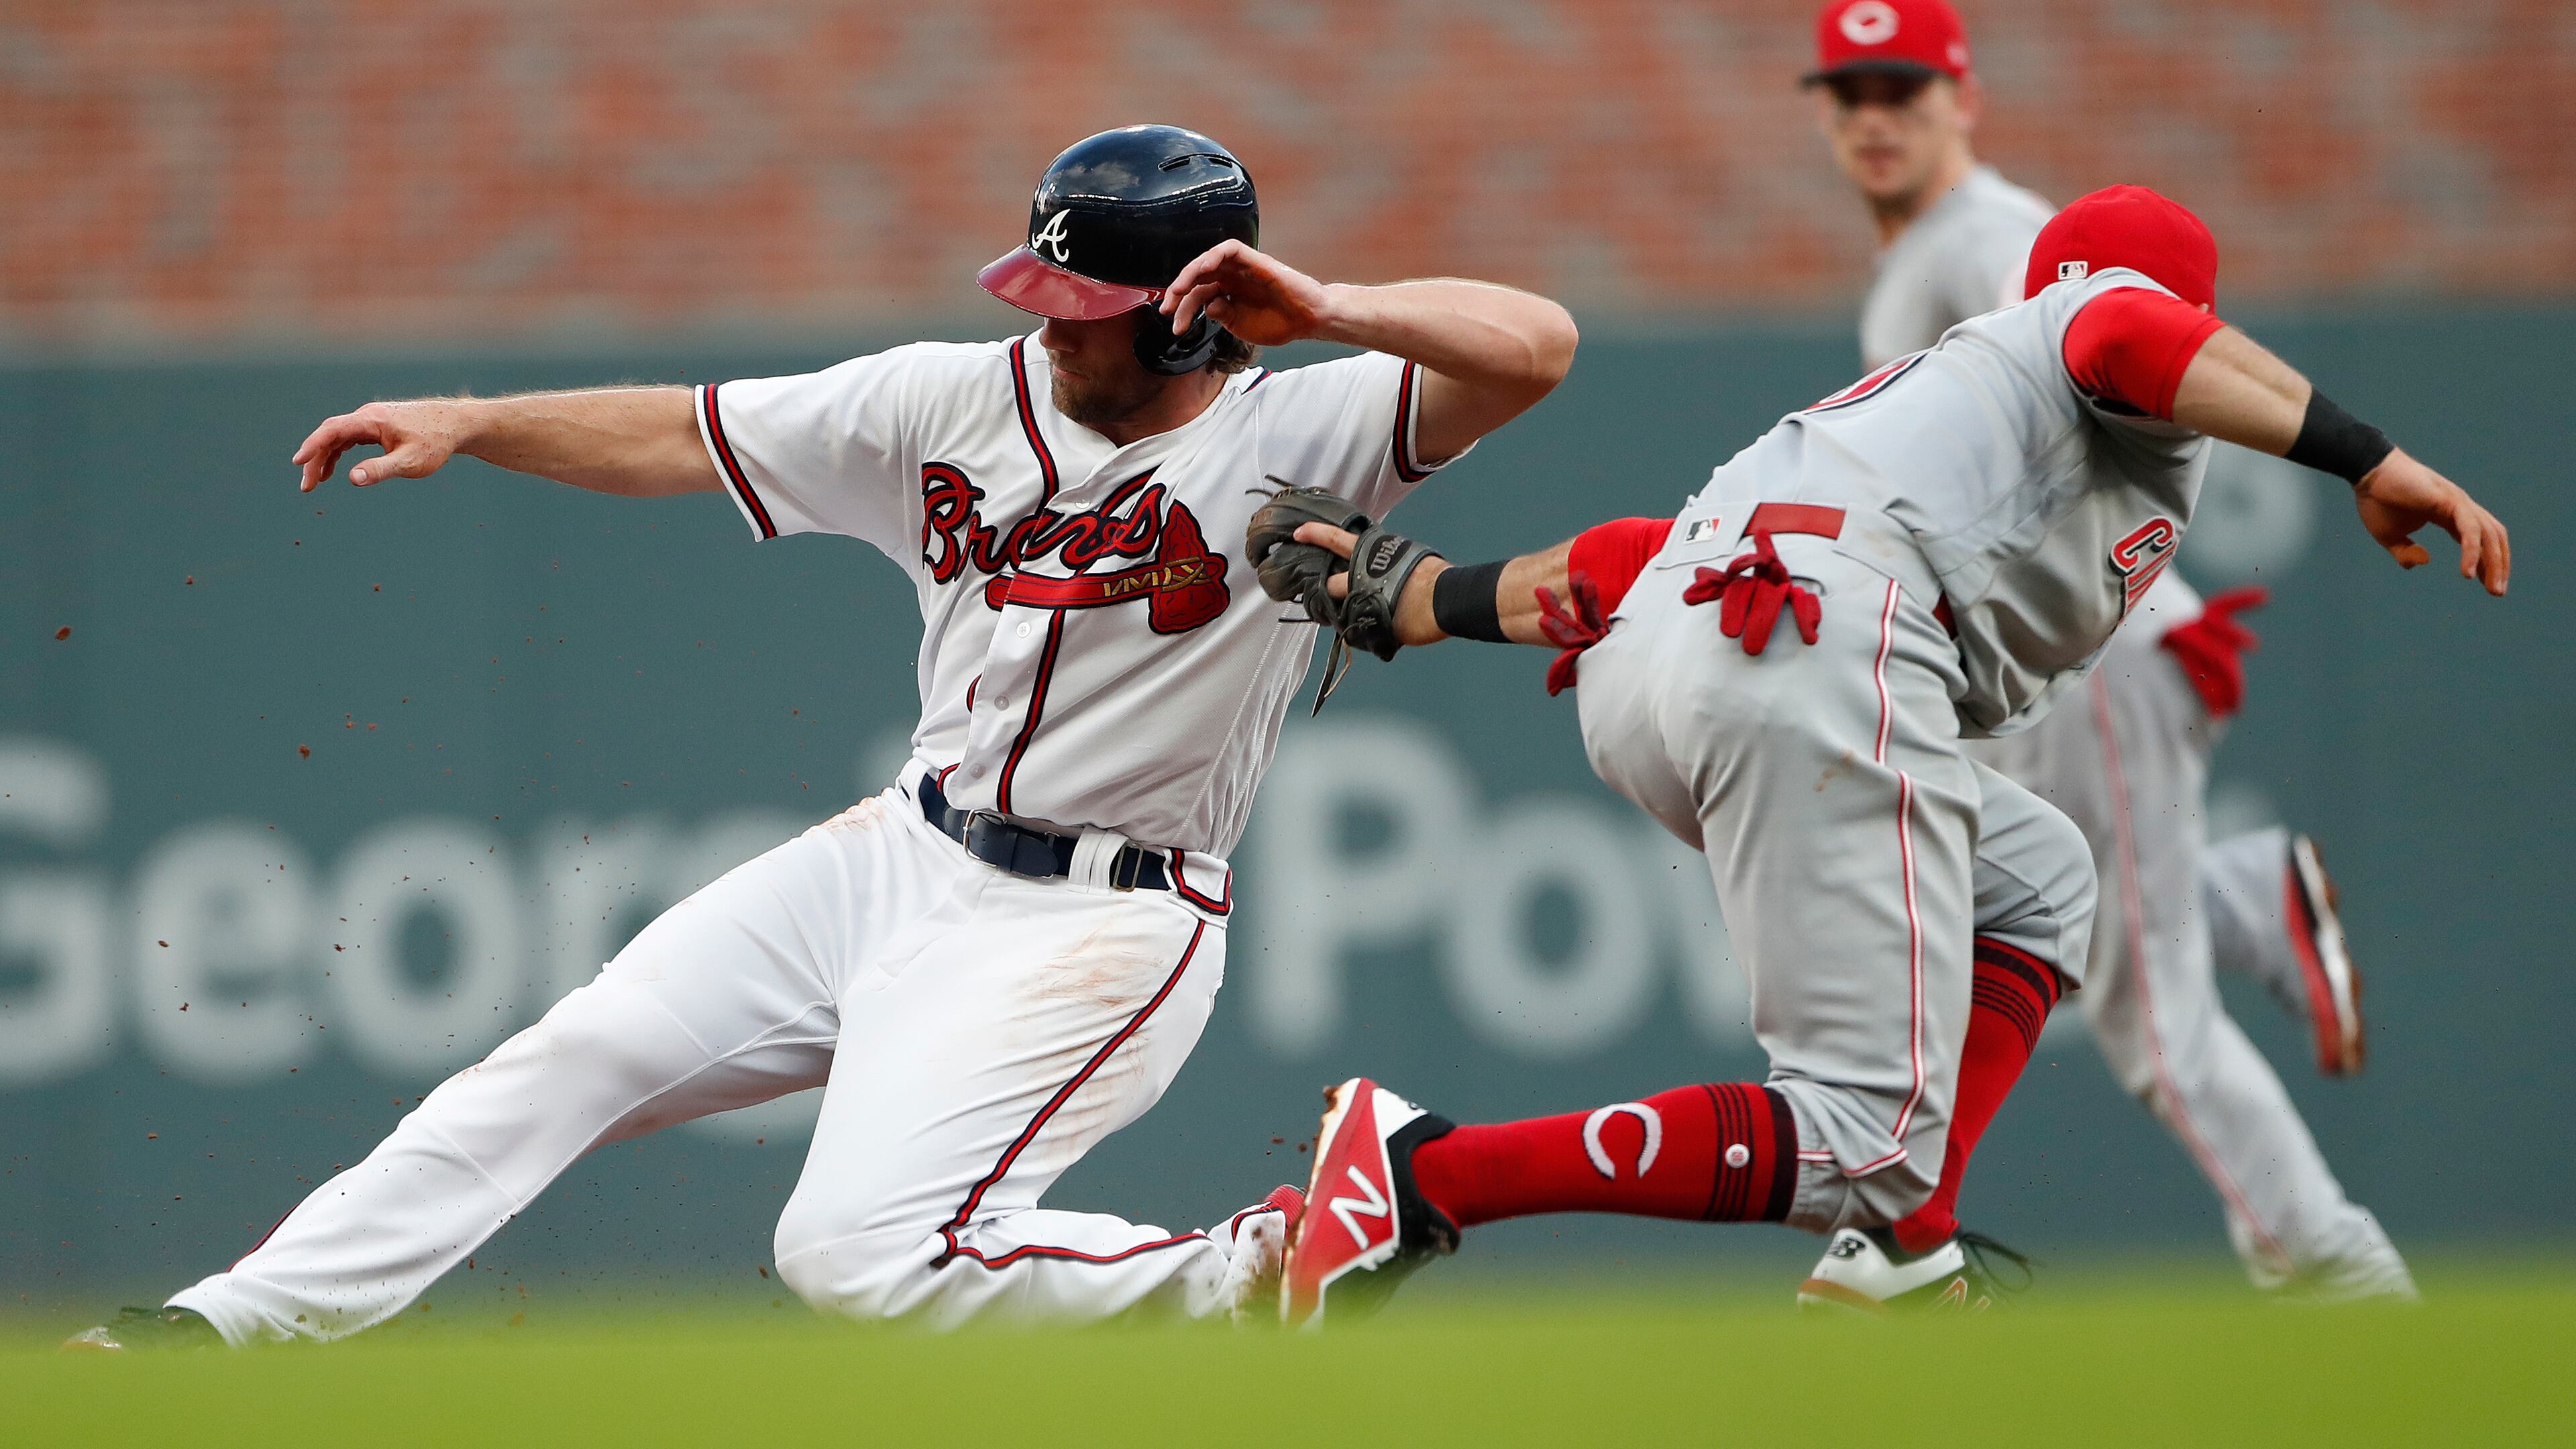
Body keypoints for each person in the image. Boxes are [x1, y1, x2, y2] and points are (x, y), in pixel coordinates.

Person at [66, 123, 1577, 1349]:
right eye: (1039, 297)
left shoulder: (1311, 427)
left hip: (1099, 921)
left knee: (855, 1258)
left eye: (1085, 312)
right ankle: (219, 1333)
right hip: (898, 855)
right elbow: (684, 431)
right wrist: (476, 420)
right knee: (567, 1057)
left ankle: (1263, 1262)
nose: (1046, 333)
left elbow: (1535, 344)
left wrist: (1328, 311)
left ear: (1194, 311)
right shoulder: (947, 398)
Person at [1247, 184, 2506, 1324]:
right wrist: (2373, 458)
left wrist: (1428, 600)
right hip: (1807, 652)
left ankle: (1903, 1252)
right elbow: (2129, 332)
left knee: (2046, 877)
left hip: (1679, 658)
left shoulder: (1951, 401)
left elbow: (1643, 554)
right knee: (1858, 1138)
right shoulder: (2103, 341)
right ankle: (1426, 1175)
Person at [1805, 0, 2411, 1299]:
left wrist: (2359, 453)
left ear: (1961, 98)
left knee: (2151, 1019)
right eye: (1850, 93)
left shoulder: (1997, 240)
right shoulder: (1931, 251)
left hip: (2109, 653)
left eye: (1903, 90)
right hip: (2071, 650)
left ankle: (2338, 1272)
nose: (1874, 118)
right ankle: (2244, 897)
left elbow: (2158, 345)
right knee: (2031, 917)